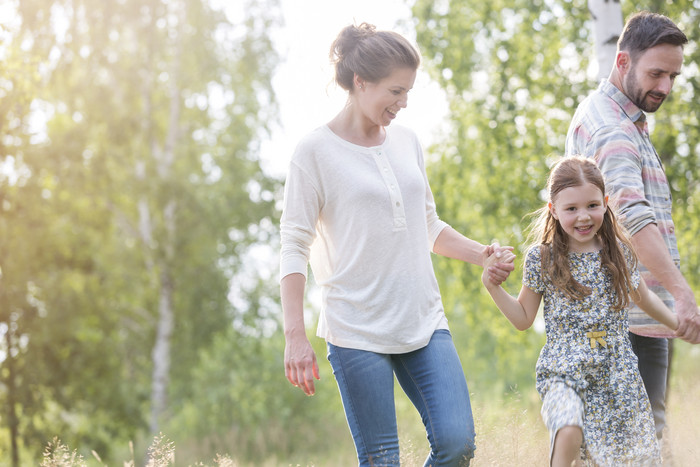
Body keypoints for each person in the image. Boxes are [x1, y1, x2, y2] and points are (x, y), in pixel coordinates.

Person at [279, 22, 514, 466]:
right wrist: (295, 334)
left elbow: (428, 226)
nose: (403, 104)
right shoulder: (313, 152)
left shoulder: (407, 142)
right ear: (359, 82)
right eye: (395, 91)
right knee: (383, 459)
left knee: (457, 443)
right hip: (355, 328)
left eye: (408, 92)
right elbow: (293, 245)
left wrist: (481, 254)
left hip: (423, 319)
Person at [481, 156, 692, 466]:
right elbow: (523, 318)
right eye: (571, 209)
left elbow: (644, 299)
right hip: (565, 371)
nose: (583, 217)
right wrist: (493, 286)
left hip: (616, 374)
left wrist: (680, 325)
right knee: (568, 429)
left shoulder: (618, 253)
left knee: (628, 459)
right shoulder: (543, 258)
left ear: (605, 204)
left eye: (592, 205)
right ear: (553, 209)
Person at [564, 10, 700, 440]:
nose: (665, 87)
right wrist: (681, 294)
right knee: (640, 445)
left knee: (630, 442)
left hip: (636, 314)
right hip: (624, 319)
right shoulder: (613, 130)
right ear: (622, 62)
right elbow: (632, 219)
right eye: (656, 73)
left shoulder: (619, 119)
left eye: (673, 76)